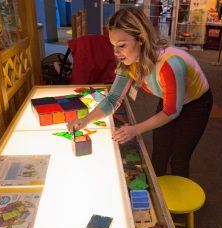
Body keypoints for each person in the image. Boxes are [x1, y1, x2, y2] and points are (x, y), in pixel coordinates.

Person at [67, 7, 213, 178]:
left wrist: (135, 129)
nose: (116, 53)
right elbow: (113, 98)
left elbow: (171, 112)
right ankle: (158, 193)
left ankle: (176, 192)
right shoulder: (128, 61)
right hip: (169, 98)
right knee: (160, 150)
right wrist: (86, 120)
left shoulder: (170, 64)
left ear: (141, 39)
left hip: (197, 103)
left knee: (179, 157)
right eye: (113, 46)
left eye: (121, 45)